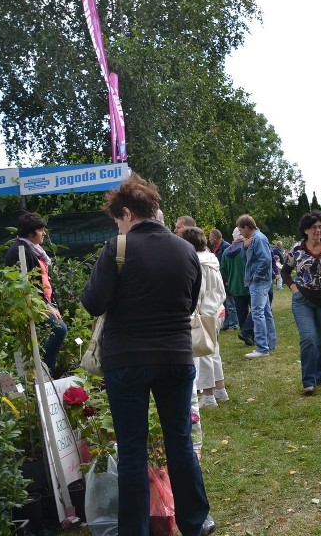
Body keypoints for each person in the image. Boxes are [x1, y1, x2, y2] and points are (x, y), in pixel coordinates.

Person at [80, 174, 214, 536]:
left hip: (127, 360)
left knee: (133, 449)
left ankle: (134, 531)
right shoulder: (186, 249)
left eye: (117, 219)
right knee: (180, 440)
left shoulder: (117, 249)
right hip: (176, 356)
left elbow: (92, 303)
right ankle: (195, 522)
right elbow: (189, 303)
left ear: (126, 213)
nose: (118, 225)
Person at [280, 212, 321, 395]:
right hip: (303, 301)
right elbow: (285, 271)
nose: (318, 230)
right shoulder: (297, 248)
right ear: (306, 230)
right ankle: (308, 381)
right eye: (314, 227)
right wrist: (293, 287)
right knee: (309, 339)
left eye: (320, 227)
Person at [5, 212, 67, 374]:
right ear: (30, 232)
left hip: (43, 302)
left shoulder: (34, 249)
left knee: (53, 332)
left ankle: (42, 371)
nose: (44, 233)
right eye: (40, 230)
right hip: (30, 305)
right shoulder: (19, 250)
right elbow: (25, 286)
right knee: (59, 329)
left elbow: (43, 279)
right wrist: (46, 306)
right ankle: (45, 372)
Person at [180, 227, 228, 408]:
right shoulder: (211, 260)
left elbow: (198, 292)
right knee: (213, 350)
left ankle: (208, 395)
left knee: (202, 353)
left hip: (203, 313)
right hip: (216, 310)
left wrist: (193, 311)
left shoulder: (197, 263)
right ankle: (220, 389)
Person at [236, 214, 277, 359]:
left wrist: (255, 277)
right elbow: (251, 259)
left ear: (247, 227)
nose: (240, 233)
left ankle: (262, 348)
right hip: (261, 281)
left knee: (258, 313)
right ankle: (270, 344)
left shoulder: (258, 238)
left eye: (241, 230)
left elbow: (265, 260)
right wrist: (244, 248)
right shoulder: (254, 239)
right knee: (265, 312)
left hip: (259, 282)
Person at [221, 228, 254, 346]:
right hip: (249, 285)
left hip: (234, 286)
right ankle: (249, 334)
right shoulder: (247, 249)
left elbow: (223, 269)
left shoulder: (226, 252)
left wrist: (229, 279)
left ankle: (247, 336)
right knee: (255, 310)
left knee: (241, 313)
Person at [209, 229, 237, 331]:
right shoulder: (215, 247)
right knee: (224, 302)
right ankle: (226, 323)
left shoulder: (226, 247)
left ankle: (233, 324)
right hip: (219, 278)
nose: (209, 239)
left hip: (226, 278)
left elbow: (228, 265)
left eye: (210, 237)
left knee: (230, 302)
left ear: (216, 237)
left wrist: (228, 279)